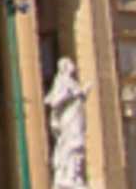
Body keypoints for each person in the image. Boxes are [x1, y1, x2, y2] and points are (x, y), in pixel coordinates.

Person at [45, 57, 90, 189]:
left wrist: (82, 93)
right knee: (73, 144)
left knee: (77, 145)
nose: (72, 65)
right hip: (69, 117)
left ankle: (74, 175)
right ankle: (69, 176)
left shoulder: (71, 82)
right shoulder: (62, 81)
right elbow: (55, 101)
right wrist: (74, 95)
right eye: (70, 64)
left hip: (76, 115)